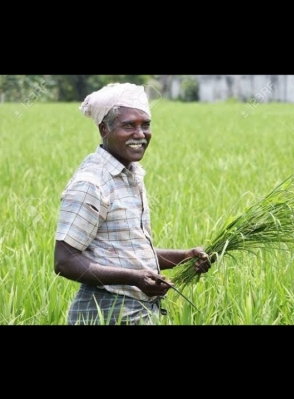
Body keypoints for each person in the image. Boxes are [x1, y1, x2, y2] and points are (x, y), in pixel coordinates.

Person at [54, 82, 211, 325]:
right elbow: (65, 261)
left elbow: (130, 255)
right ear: (104, 129)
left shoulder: (130, 176)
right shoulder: (92, 183)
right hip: (104, 312)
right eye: (128, 125)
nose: (140, 134)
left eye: (145, 125)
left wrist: (185, 256)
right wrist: (134, 278)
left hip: (137, 313)